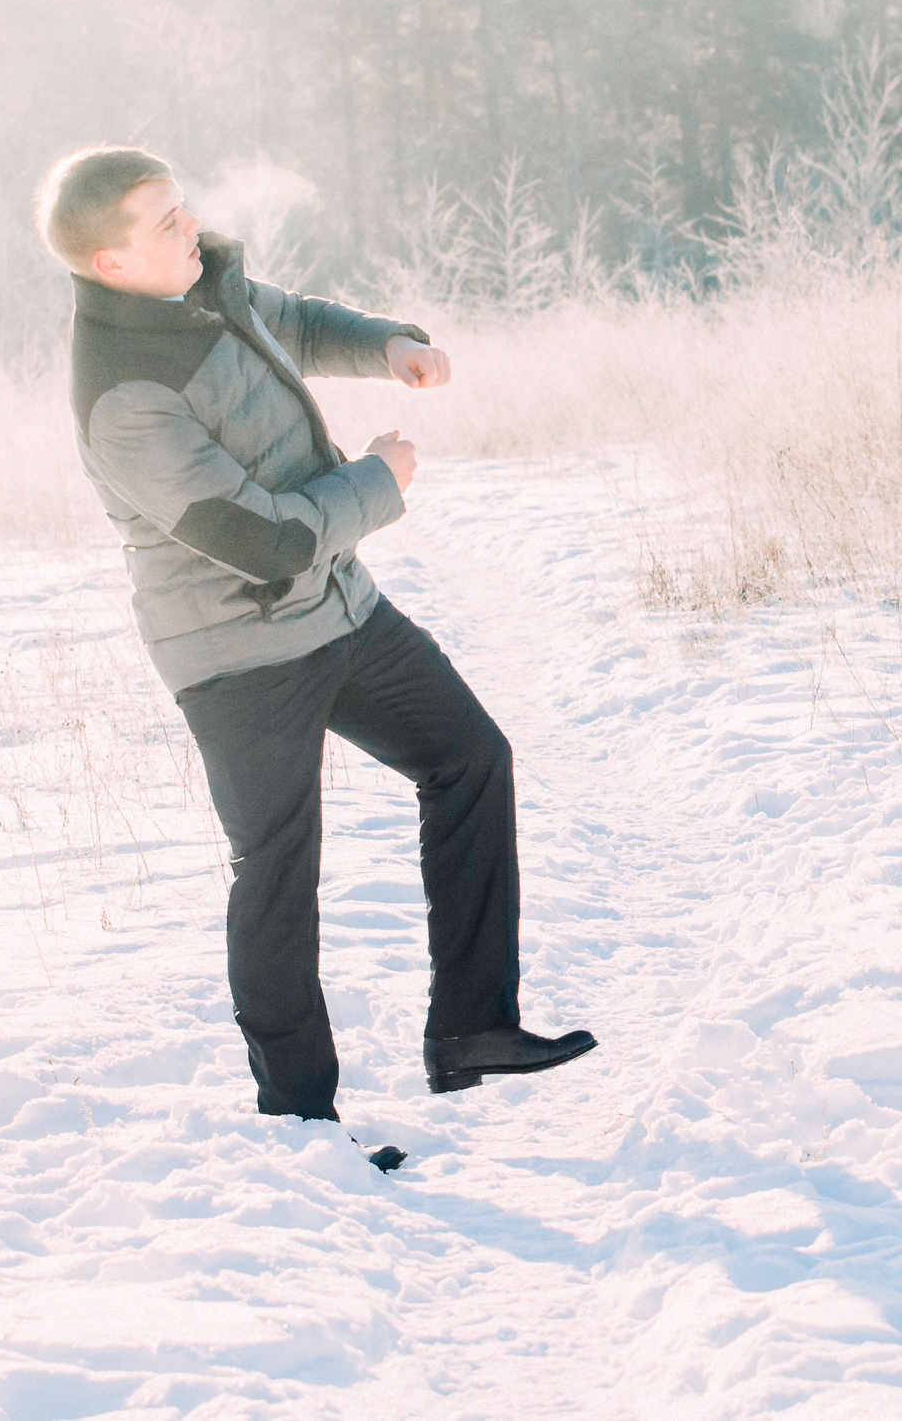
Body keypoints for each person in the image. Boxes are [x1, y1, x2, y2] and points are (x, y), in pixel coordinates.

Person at [38, 146, 596, 1161]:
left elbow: (287, 322)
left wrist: (388, 345)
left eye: (179, 206)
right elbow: (261, 541)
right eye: (161, 224)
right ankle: (299, 1118)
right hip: (236, 653)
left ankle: (475, 1030)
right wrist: (382, 480)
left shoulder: (203, 283)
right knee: (278, 868)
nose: (188, 229)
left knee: (469, 759)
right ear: (109, 264)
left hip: (337, 606)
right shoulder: (125, 395)